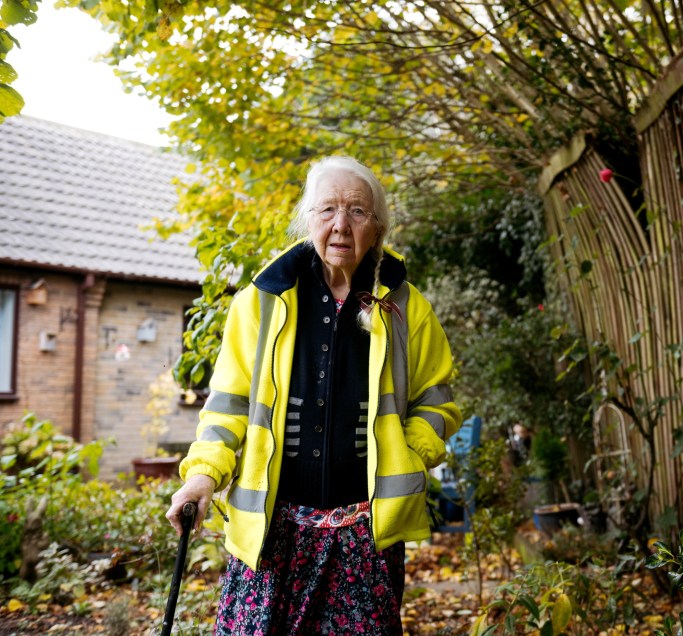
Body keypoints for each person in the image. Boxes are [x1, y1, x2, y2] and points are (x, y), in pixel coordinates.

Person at [165, 155, 462, 634]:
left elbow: (436, 400)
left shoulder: (407, 308)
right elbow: (229, 404)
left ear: (378, 226)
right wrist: (202, 476)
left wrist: (410, 451)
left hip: (367, 540)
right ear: (307, 219)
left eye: (357, 211)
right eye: (327, 210)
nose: (341, 225)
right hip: (272, 535)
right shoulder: (262, 302)